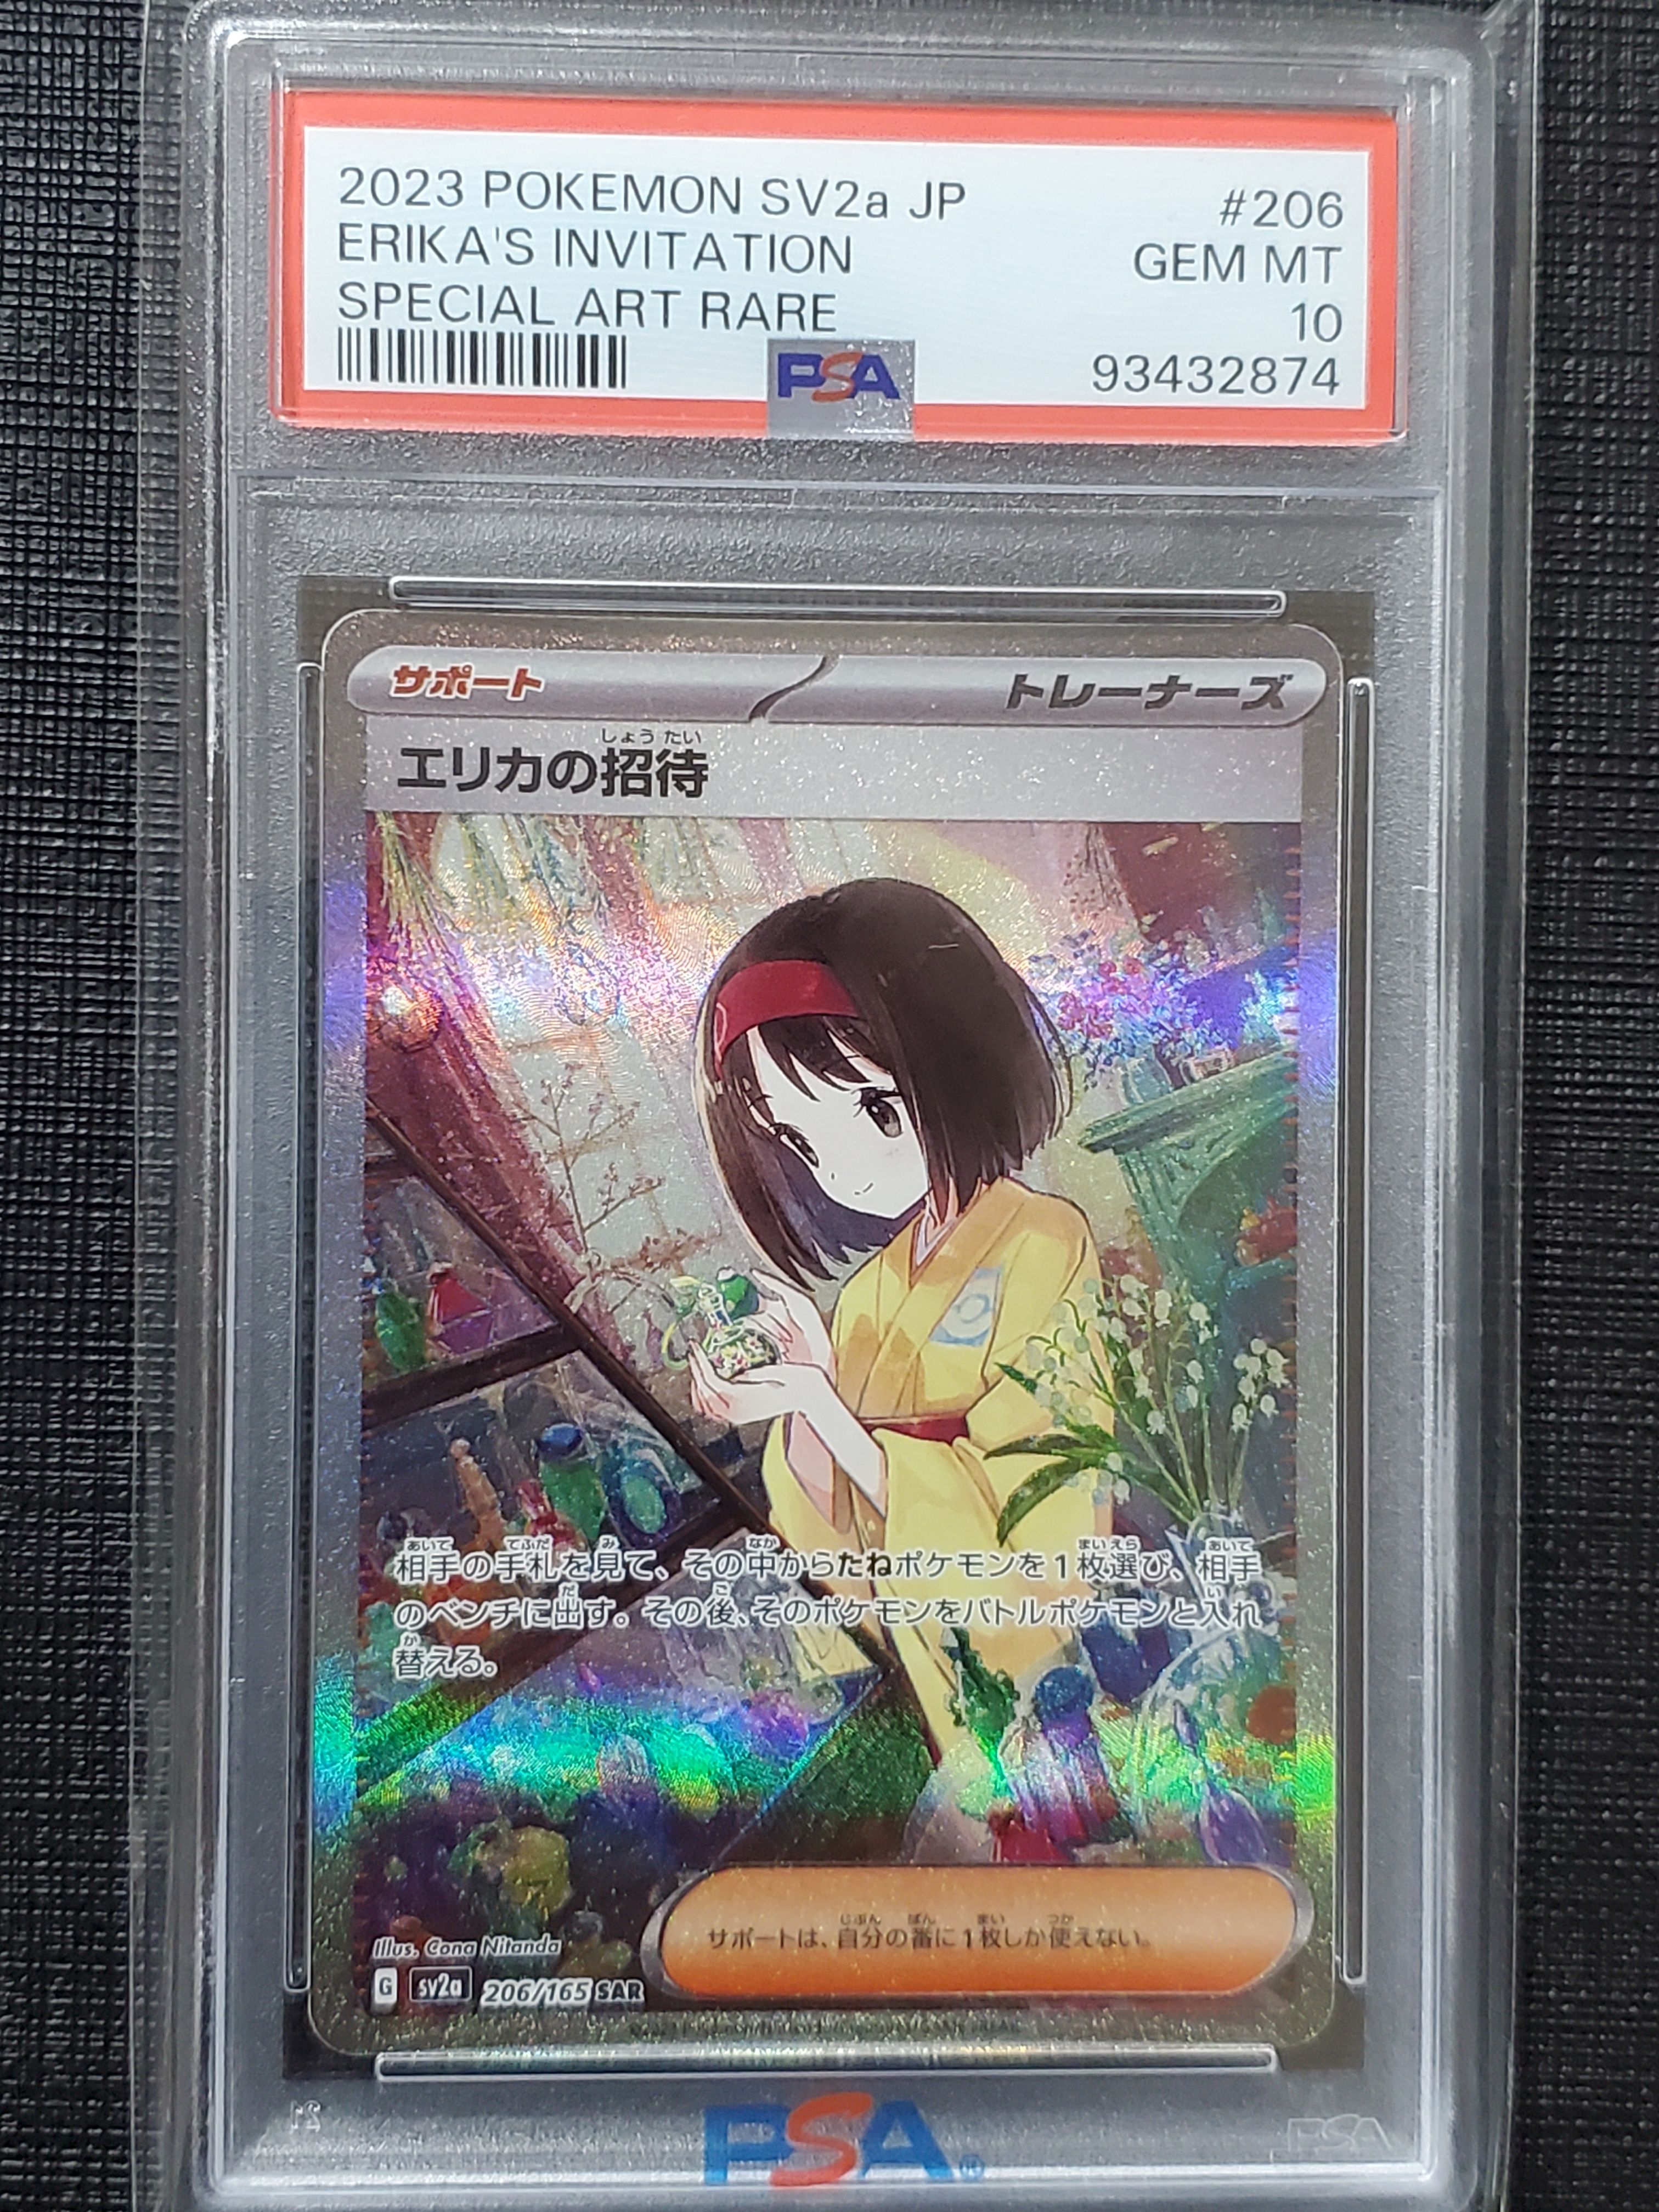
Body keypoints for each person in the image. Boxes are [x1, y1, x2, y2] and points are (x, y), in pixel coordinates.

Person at [687, 878, 1103, 1759]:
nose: (840, 1170)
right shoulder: (866, 1296)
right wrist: (801, 1397)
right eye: (800, 1140)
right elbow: (840, 1564)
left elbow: (1047, 1516)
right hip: (932, 1669)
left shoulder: (1044, 1242)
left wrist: (829, 1407)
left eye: (876, 1110)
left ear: (956, 1065)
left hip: (1042, 1666)